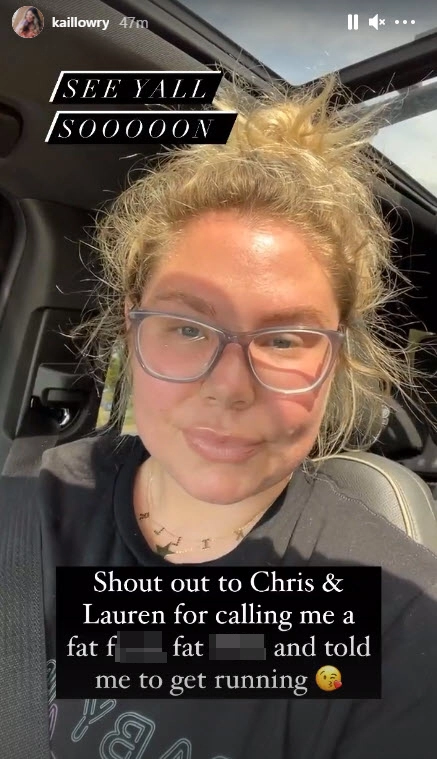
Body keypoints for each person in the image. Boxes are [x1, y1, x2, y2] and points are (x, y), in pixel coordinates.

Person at [23, 72, 437, 757]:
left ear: (335, 359)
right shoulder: (31, 509)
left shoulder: (402, 622)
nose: (230, 387)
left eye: (284, 339)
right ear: (130, 328)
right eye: (187, 327)